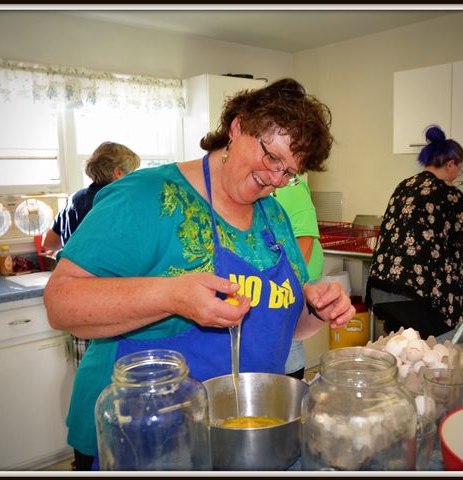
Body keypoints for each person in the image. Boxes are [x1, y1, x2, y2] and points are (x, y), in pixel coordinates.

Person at [44, 78, 355, 471]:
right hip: (147, 437)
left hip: (240, 436)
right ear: (238, 127)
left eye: (290, 172)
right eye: (272, 157)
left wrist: (316, 309)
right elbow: (61, 303)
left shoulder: (272, 215)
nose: (276, 179)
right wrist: (172, 296)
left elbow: (283, 326)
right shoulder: (146, 196)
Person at [365, 125, 463, 340]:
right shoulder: (450, 194)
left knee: (401, 353)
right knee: (432, 356)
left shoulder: (404, 185)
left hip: (384, 289)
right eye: (459, 168)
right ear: (450, 164)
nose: (458, 174)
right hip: (421, 294)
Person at [42, 141, 140, 367]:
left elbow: (50, 242)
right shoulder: (116, 202)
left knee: (87, 371)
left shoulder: (75, 198)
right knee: (111, 375)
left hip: (77, 302)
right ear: (118, 173)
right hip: (105, 301)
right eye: (131, 173)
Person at [274, 177, 324, 380]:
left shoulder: (291, 187)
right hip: (279, 276)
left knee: (288, 337)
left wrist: (289, 283)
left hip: (296, 277)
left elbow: (305, 240)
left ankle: (291, 389)